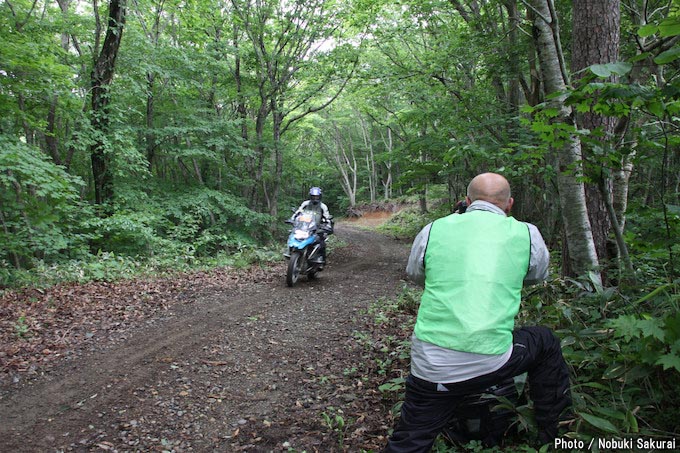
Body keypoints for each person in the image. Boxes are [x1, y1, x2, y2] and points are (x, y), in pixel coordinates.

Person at [385, 173, 571, 452]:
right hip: (492, 359)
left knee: (411, 439)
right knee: (544, 341)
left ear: (467, 201)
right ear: (509, 204)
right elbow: (536, 275)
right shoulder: (526, 233)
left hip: (431, 365)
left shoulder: (434, 228)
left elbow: (416, 274)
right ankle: (553, 434)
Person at [293, 187, 333, 264]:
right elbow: (298, 212)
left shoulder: (323, 206)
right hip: (304, 226)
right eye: (313, 196)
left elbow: (327, 216)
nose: (315, 198)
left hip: (317, 228)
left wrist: (327, 224)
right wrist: (292, 218)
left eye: (317, 196)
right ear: (310, 196)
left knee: (321, 242)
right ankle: (291, 253)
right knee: (294, 236)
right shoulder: (305, 204)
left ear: (320, 196)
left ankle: (322, 260)